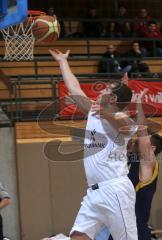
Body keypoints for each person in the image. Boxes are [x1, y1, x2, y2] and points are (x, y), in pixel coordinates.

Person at [49, 49, 138, 240]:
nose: (102, 90)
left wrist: (106, 113)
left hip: (116, 190)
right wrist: (62, 62)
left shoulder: (121, 117)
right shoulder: (94, 111)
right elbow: (74, 88)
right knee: (77, 237)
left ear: (113, 99)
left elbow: (126, 126)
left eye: (107, 89)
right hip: (94, 192)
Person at [95, 89, 162, 240]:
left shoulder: (148, 164)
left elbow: (141, 129)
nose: (137, 140)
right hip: (118, 226)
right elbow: (123, 128)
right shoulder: (130, 157)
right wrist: (122, 97)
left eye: (142, 140)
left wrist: (138, 103)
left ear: (152, 149)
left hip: (136, 229)